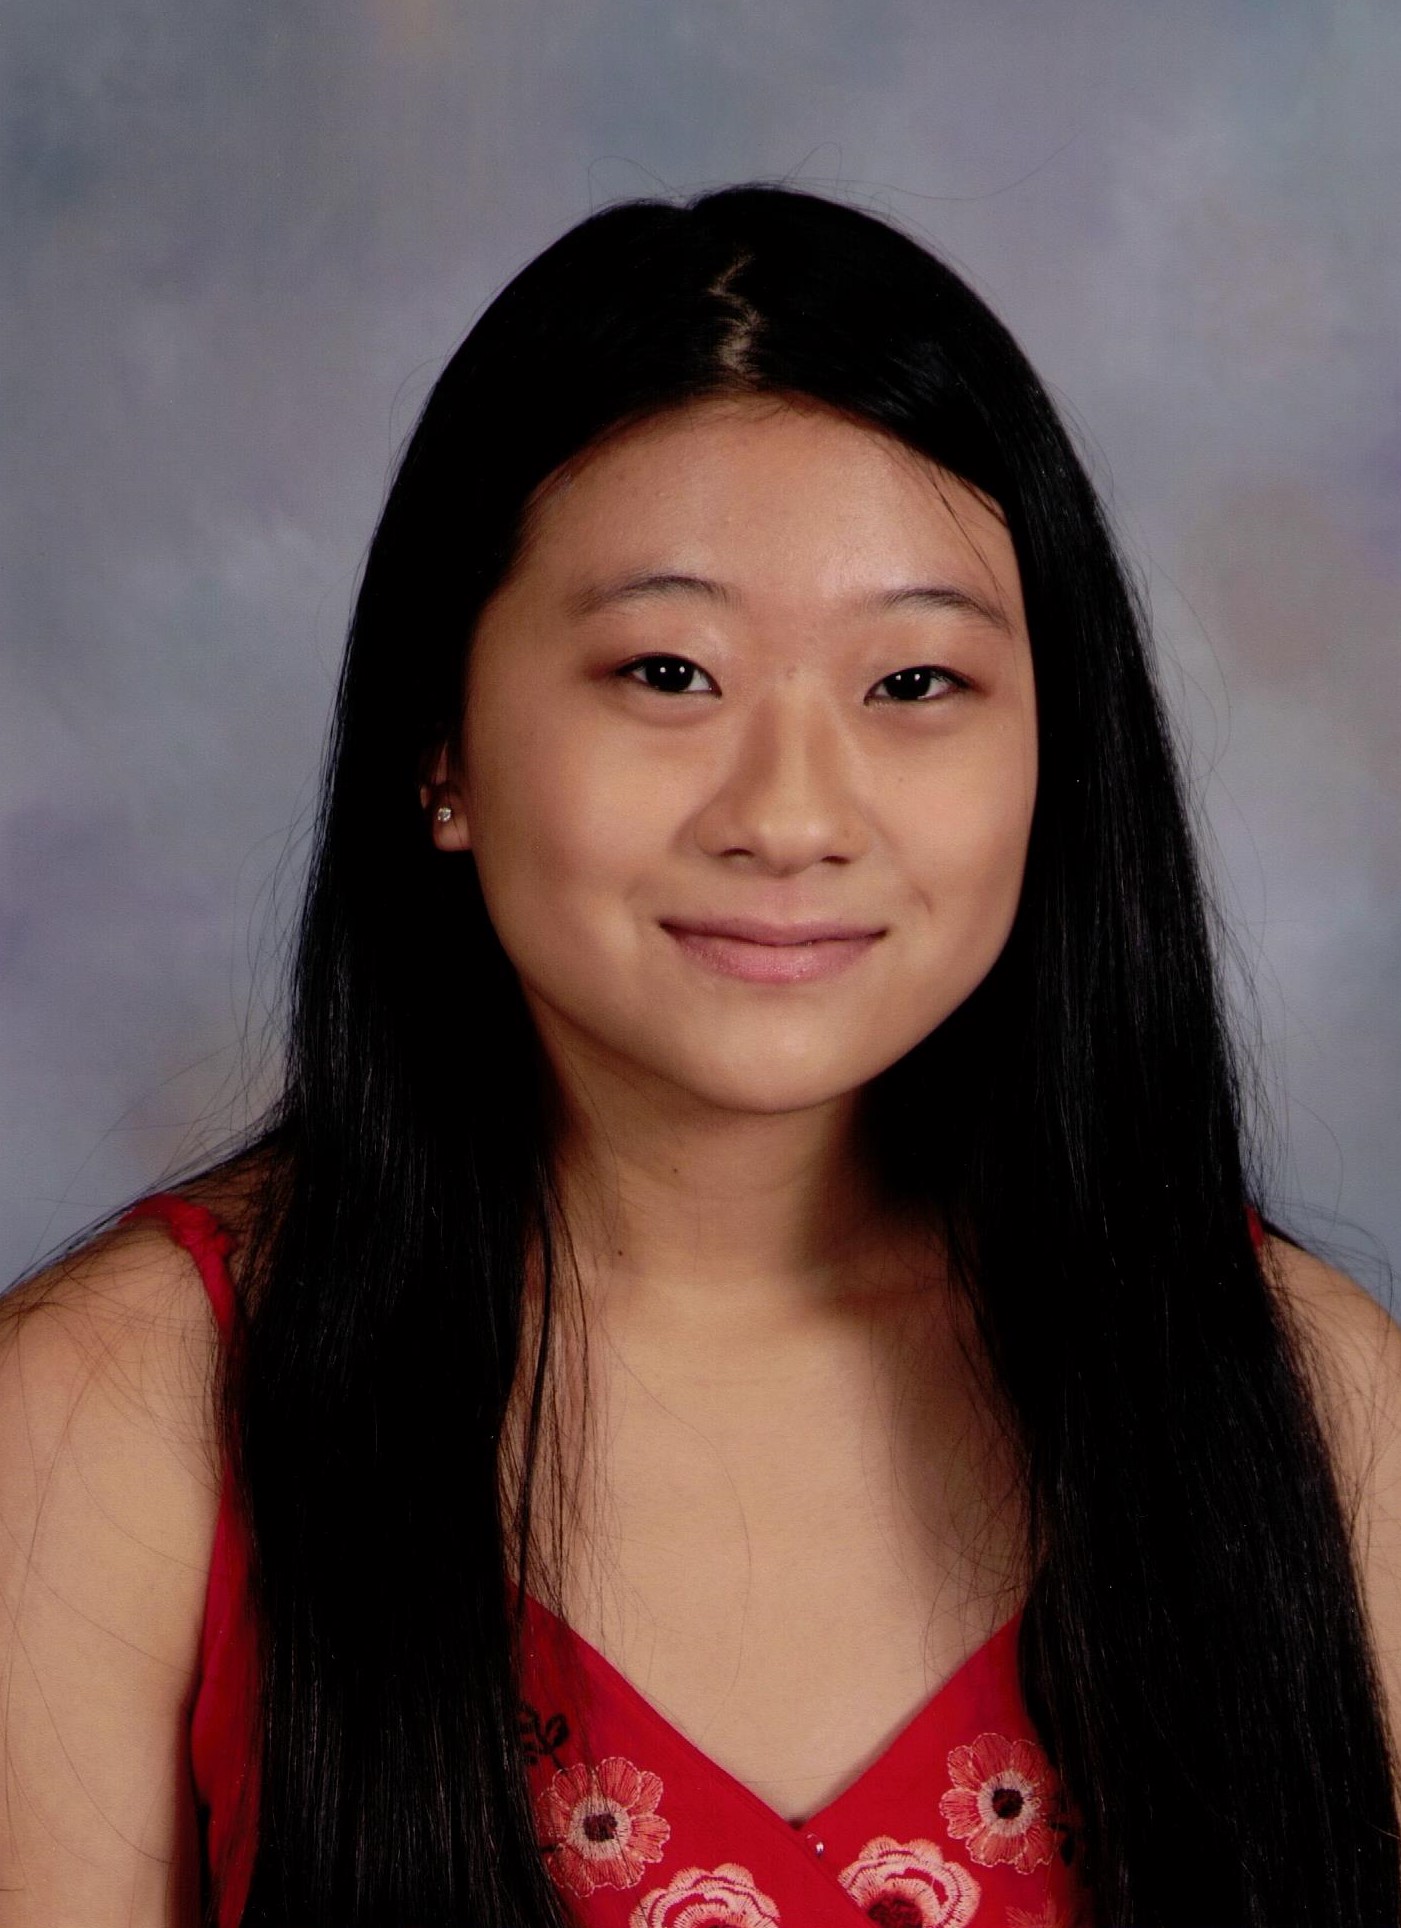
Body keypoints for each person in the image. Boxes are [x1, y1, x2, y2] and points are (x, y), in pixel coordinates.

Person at [1, 183, 1398, 1928]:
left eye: (914, 686)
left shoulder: (1306, 1404)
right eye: (668, 671)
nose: (794, 816)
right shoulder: (115, 1428)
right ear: (438, 743)